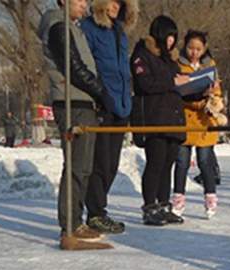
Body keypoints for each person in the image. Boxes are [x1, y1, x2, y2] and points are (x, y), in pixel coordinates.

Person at [39, 0, 114, 247]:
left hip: (83, 102)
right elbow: (73, 66)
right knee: (77, 166)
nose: (85, 4)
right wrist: (100, 91)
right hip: (72, 103)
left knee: (84, 167)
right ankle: (70, 226)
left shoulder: (73, 27)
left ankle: (75, 221)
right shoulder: (58, 24)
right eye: (80, 0)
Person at [80, 0, 137, 234]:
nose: (117, 6)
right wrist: (99, 95)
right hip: (103, 103)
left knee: (112, 163)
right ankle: (95, 213)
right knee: (101, 162)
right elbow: (86, 65)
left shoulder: (119, 31)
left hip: (121, 105)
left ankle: (98, 211)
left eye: (121, 3)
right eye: (112, 1)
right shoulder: (89, 27)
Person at [131, 15, 189, 225]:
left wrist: (200, 91)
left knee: (167, 165)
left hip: (173, 118)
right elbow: (145, 84)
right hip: (154, 118)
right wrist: (173, 82)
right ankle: (149, 207)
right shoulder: (142, 55)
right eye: (168, 36)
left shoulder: (171, 60)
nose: (171, 41)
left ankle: (164, 205)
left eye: (174, 37)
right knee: (155, 163)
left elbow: (179, 87)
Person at [172, 29, 226, 219]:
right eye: (190, 48)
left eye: (198, 49)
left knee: (205, 161)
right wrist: (197, 98)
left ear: (204, 49)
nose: (194, 52)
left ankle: (210, 198)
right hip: (185, 119)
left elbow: (217, 90)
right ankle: (178, 199)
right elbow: (178, 93)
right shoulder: (178, 64)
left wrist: (214, 99)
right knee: (181, 161)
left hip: (205, 120)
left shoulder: (210, 65)